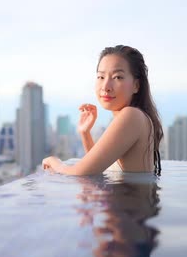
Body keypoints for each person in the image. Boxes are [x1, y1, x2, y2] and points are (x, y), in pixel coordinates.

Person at [42, 45, 163, 175]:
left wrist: (54, 161)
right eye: (101, 77)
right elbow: (99, 168)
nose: (106, 86)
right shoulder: (135, 116)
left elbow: (78, 173)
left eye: (118, 77)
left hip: (130, 196)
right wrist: (85, 133)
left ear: (136, 85)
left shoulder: (131, 115)